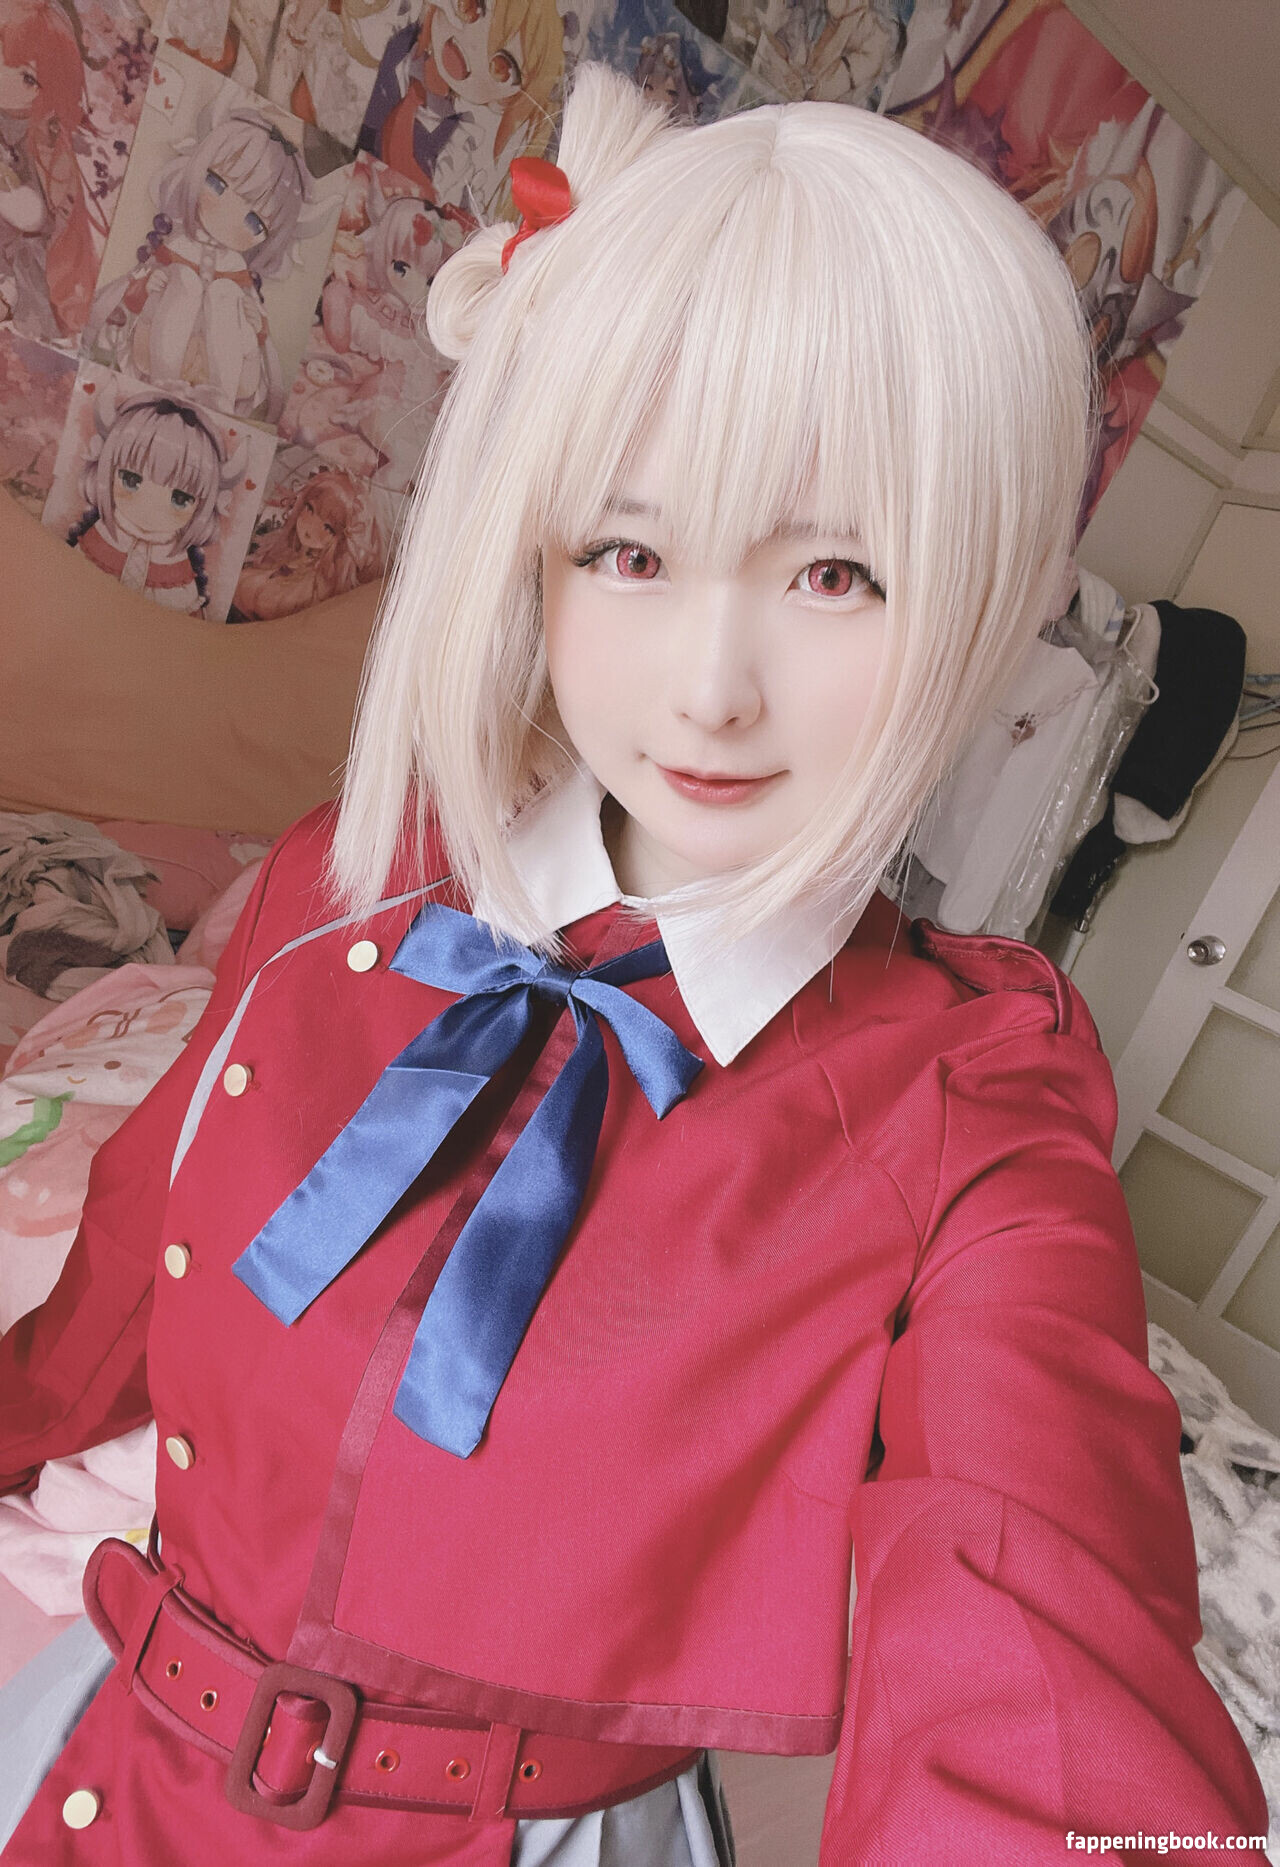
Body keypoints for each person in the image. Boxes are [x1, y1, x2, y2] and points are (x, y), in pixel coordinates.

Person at [0, 58, 1269, 1866]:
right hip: (106, 1753)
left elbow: (1044, 1621)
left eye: (836, 576)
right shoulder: (345, 884)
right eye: (629, 549)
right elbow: (132, 1262)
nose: (709, 690)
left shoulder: (970, 1093)